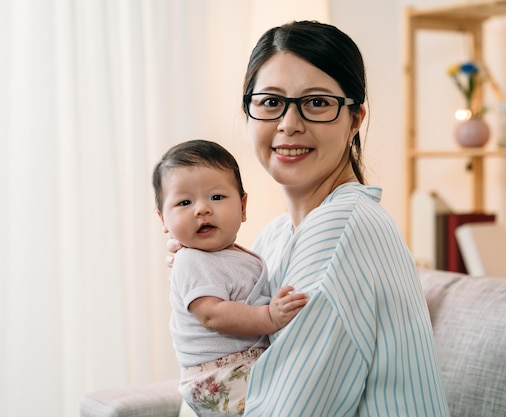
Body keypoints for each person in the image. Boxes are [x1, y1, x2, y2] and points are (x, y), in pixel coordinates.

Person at [170, 21, 450, 416]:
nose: (289, 124)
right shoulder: (274, 236)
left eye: (317, 102)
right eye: (270, 102)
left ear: (355, 119)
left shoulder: (341, 232)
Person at [152, 139, 309, 416]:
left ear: (243, 206)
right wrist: (269, 318)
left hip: (239, 367)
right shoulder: (189, 259)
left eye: (216, 197)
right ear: (163, 219)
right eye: (185, 202)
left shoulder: (237, 256)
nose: (201, 209)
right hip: (218, 375)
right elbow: (213, 314)